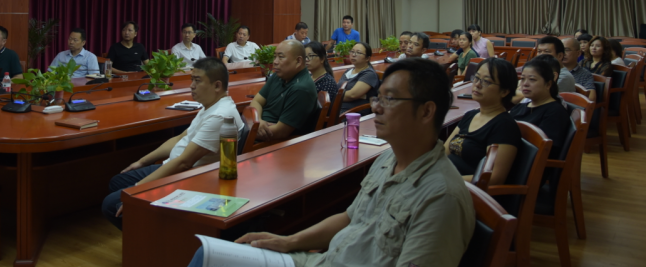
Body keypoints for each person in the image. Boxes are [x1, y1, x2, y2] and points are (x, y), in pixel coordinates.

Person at [188, 59, 474, 267]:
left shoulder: (441, 197)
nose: (376, 107)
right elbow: (350, 218)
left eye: (389, 99)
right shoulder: (389, 159)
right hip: (320, 260)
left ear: (426, 111)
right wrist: (288, 241)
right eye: (378, 98)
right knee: (209, 255)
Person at [100, 58, 242, 230]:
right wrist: (142, 162)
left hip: (187, 177)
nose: (191, 86)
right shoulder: (211, 105)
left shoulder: (219, 115)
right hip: (173, 165)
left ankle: (152, 239)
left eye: (197, 81)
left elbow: (184, 163)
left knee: (110, 204)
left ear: (217, 86)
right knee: (118, 181)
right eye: (192, 79)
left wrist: (136, 191)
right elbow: (180, 138)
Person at [445, 58, 520, 184]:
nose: (477, 85)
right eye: (476, 78)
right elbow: (443, 153)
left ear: (504, 91)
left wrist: (445, 181)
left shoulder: (504, 126)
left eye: (486, 81)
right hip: (445, 180)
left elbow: (494, 178)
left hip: (466, 190)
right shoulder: (470, 115)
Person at [249, 40, 319, 141]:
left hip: (269, 143)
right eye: (275, 56)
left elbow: (280, 132)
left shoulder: (301, 89)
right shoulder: (279, 75)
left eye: (281, 57)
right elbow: (256, 101)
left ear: (298, 61)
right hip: (257, 127)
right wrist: (258, 121)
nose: (275, 62)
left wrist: (248, 132)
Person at [510, 56, 571, 159]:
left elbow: (546, 151)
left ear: (548, 84)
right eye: (523, 79)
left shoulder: (555, 112)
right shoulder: (522, 106)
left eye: (532, 79)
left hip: (526, 163)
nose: (525, 84)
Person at [512, 36, 575, 104]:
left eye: (546, 51)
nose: (541, 55)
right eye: (539, 51)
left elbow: (518, 96)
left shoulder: (564, 76)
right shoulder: (537, 72)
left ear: (560, 56)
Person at [337, 42, 380, 114]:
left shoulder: (369, 74)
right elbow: (338, 89)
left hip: (352, 112)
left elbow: (352, 95)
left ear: (367, 58)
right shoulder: (348, 71)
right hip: (338, 108)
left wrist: (333, 96)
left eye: (358, 53)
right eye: (352, 51)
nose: (353, 55)